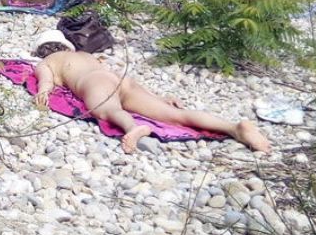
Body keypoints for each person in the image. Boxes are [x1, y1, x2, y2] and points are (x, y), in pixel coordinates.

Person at [31, 36, 270, 154]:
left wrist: (43, 91)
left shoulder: (49, 61)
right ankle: (233, 128)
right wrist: (158, 97)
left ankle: (131, 128)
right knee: (175, 115)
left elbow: (46, 79)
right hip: (121, 79)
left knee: (108, 110)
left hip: (94, 83)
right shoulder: (85, 55)